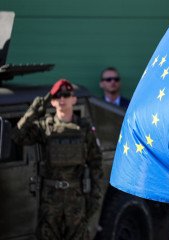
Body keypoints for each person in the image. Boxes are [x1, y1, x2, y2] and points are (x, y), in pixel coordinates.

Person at [12, 79, 103, 240]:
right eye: (57, 96)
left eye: (66, 95)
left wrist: (94, 197)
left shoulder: (84, 128)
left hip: (76, 199)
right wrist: (33, 111)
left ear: (73, 99)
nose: (62, 99)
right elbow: (18, 136)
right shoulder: (44, 127)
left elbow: (96, 163)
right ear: (52, 102)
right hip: (50, 199)